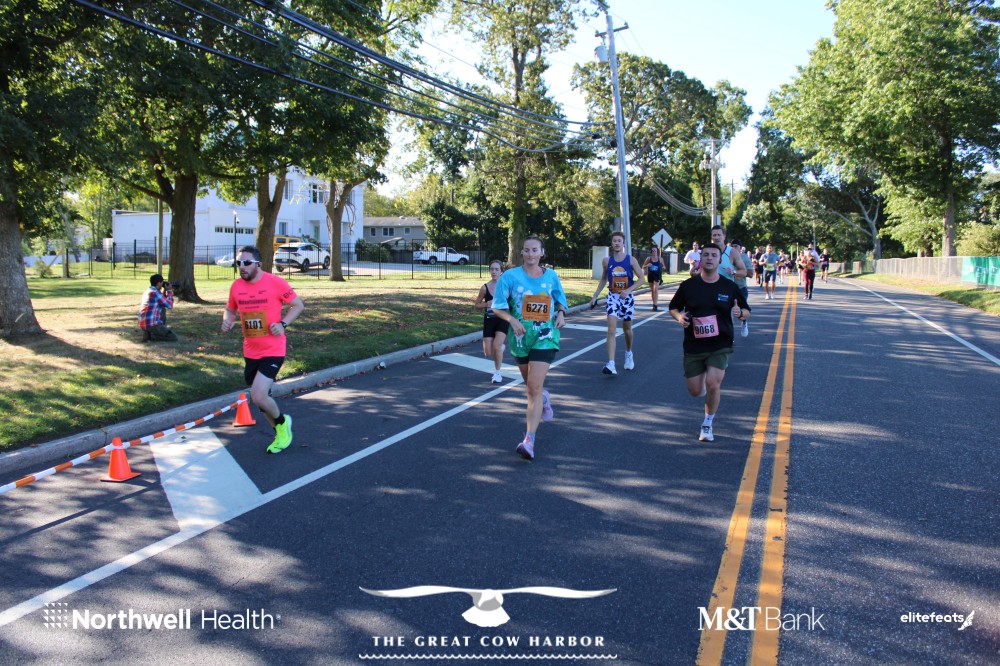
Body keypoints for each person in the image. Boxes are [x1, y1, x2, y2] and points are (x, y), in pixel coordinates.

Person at [490, 235, 569, 461]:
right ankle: (543, 398)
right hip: (520, 338)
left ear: (542, 252)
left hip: (546, 335)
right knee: (532, 388)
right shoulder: (509, 277)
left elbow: (560, 300)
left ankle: (529, 440)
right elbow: (497, 307)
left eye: (535, 250)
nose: (530, 254)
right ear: (521, 252)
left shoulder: (551, 276)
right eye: (526, 250)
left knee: (533, 386)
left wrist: (561, 313)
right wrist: (512, 320)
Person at [221, 246, 305, 454]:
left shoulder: (275, 282)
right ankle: (280, 432)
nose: (242, 267)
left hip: (273, 348)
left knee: (258, 395)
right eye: (239, 263)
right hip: (250, 350)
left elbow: (297, 305)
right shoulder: (236, 286)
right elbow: (230, 309)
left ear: (258, 264)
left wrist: (283, 324)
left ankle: (282, 424)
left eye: (247, 263)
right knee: (261, 400)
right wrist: (227, 320)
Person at [668, 243, 751, 442]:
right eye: (706, 255)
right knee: (695, 391)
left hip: (720, 344)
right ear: (700, 258)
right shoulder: (689, 286)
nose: (710, 258)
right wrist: (679, 317)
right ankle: (703, 385)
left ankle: (707, 423)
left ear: (719, 260)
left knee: (714, 384)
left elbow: (746, 310)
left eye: (714, 255)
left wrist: (740, 313)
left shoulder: (729, 287)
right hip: (694, 344)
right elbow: (673, 307)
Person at [591, 231, 645, 375]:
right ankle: (611, 364)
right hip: (612, 298)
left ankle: (628, 353)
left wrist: (628, 290)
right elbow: (604, 279)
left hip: (627, 298)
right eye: (614, 241)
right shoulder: (606, 261)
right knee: (611, 330)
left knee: (627, 330)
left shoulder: (631, 260)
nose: (616, 243)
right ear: (612, 243)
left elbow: (642, 279)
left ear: (623, 243)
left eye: (619, 241)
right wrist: (595, 295)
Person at [474, 260, 510, 384]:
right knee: (488, 353)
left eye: (496, 269)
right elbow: (476, 305)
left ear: (501, 271)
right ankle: (499, 348)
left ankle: (497, 373)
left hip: (502, 319)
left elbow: (513, 302)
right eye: (492, 269)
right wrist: (486, 304)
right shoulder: (485, 287)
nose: (494, 272)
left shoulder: (506, 286)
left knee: (496, 346)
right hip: (489, 320)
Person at [138, 273, 177, 342]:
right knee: (173, 337)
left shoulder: (149, 291)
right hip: (152, 324)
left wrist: (165, 290)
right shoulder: (155, 293)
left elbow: (162, 302)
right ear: (159, 283)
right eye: (162, 282)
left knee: (162, 309)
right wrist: (169, 291)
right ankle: (152, 336)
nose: (162, 284)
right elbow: (169, 305)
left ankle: (148, 333)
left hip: (143, 322)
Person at [729, 240, 751, 338]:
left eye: (736, 246)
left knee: (741, 310)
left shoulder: (744, 258)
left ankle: (744, 322)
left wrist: (737, 272)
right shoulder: (726, 257)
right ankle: (730, 335)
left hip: (741, 288)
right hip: (728, 289)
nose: (734, 248)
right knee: (727, 312)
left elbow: (750, 273)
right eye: (732, 246)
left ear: (740, 248)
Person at [641, 246, 667, 311]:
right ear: (651, 252)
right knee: (652, 290)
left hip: (657, 275)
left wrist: (663, 267)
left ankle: (655, 304)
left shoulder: (660, 259)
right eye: (653, 251)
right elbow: (643, 266)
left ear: (657, 251)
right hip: (650, 275)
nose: (654, 252)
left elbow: (664, 266)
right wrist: (647, 265)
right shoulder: (648, 258)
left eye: (655, 250)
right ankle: (654, 303)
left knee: (655, 289)